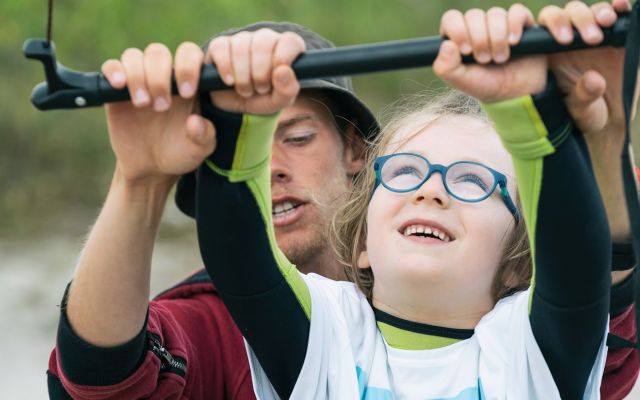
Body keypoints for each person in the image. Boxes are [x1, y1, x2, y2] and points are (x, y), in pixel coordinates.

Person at [46, 4, 638, 400]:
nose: (430, 189)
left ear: (517, 260)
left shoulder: (525, 345)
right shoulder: (330, 333)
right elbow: (240, 264)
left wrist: (536, 112)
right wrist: (227, 129)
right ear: (361, 243)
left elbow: (583, 265)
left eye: (472, 183)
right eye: (405, 173)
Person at [46, 22, 377, 399]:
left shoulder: (426, 280)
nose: (268, 167)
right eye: (241, 153)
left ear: (355, 149)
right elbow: (101, 381)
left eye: (297, 137)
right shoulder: (208, 322)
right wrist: (140, 181)